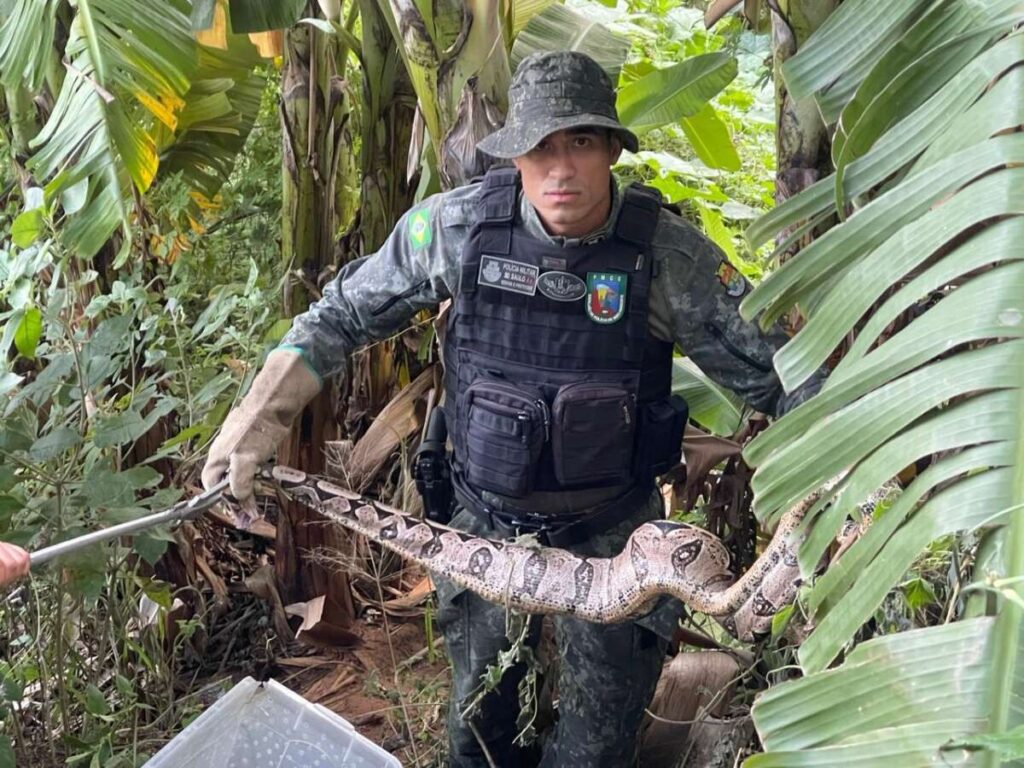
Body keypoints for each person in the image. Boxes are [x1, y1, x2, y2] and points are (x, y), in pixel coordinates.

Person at [203, 50, 822, 767]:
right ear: (516, 156)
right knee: (483, 737)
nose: (561, 169)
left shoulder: (665, 256)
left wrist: (847, 486)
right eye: (541, 148)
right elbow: (341, 315)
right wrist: (257, 421)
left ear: (613, 149)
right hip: (483, 531)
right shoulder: (459, 229)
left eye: (582, 144)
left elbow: (777, 378)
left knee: (596, 748)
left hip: (615, 536)